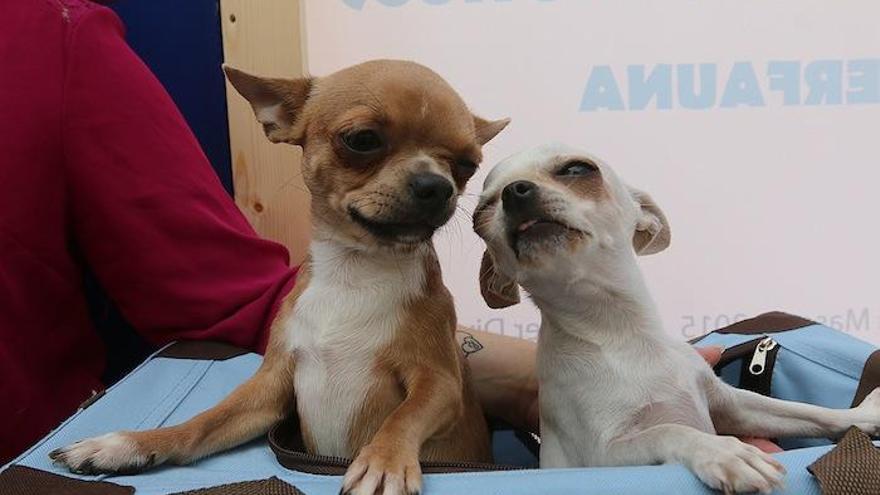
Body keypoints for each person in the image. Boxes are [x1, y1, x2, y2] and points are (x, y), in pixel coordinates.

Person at [0, 0, 773, 465]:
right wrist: (156, 441)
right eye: (365, 142)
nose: (429, 184)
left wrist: (550, 377)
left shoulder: (47, 36)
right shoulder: (305, 302)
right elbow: (269, 388)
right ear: (282, 120)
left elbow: (432, 380)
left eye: (457, 167)